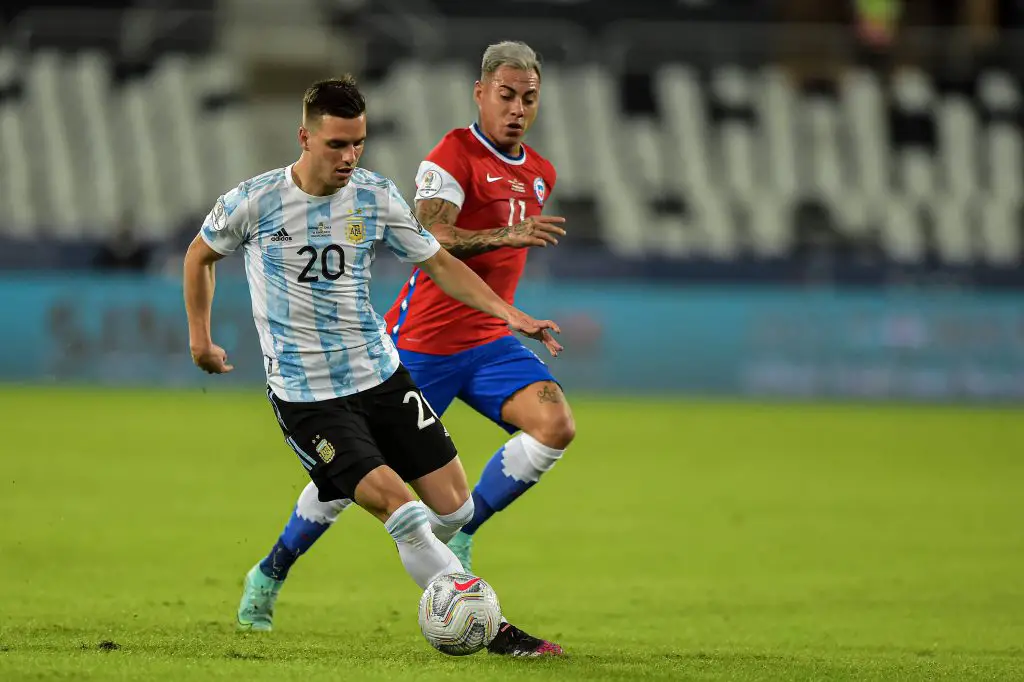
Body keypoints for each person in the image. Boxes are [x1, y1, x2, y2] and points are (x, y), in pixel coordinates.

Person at [184, 75, 563, 656]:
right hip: (308, 397)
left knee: (456, 508)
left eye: (358, 142)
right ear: (304, 138)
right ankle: (486, 625)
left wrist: (505, 311)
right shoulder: (254, 201)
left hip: (380, 375)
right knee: (400, 508)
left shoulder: (374, 195)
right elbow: (200, 255)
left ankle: (280, 562)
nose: (349, 156)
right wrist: (201, 341)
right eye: (337, 144)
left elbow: (437, 261)